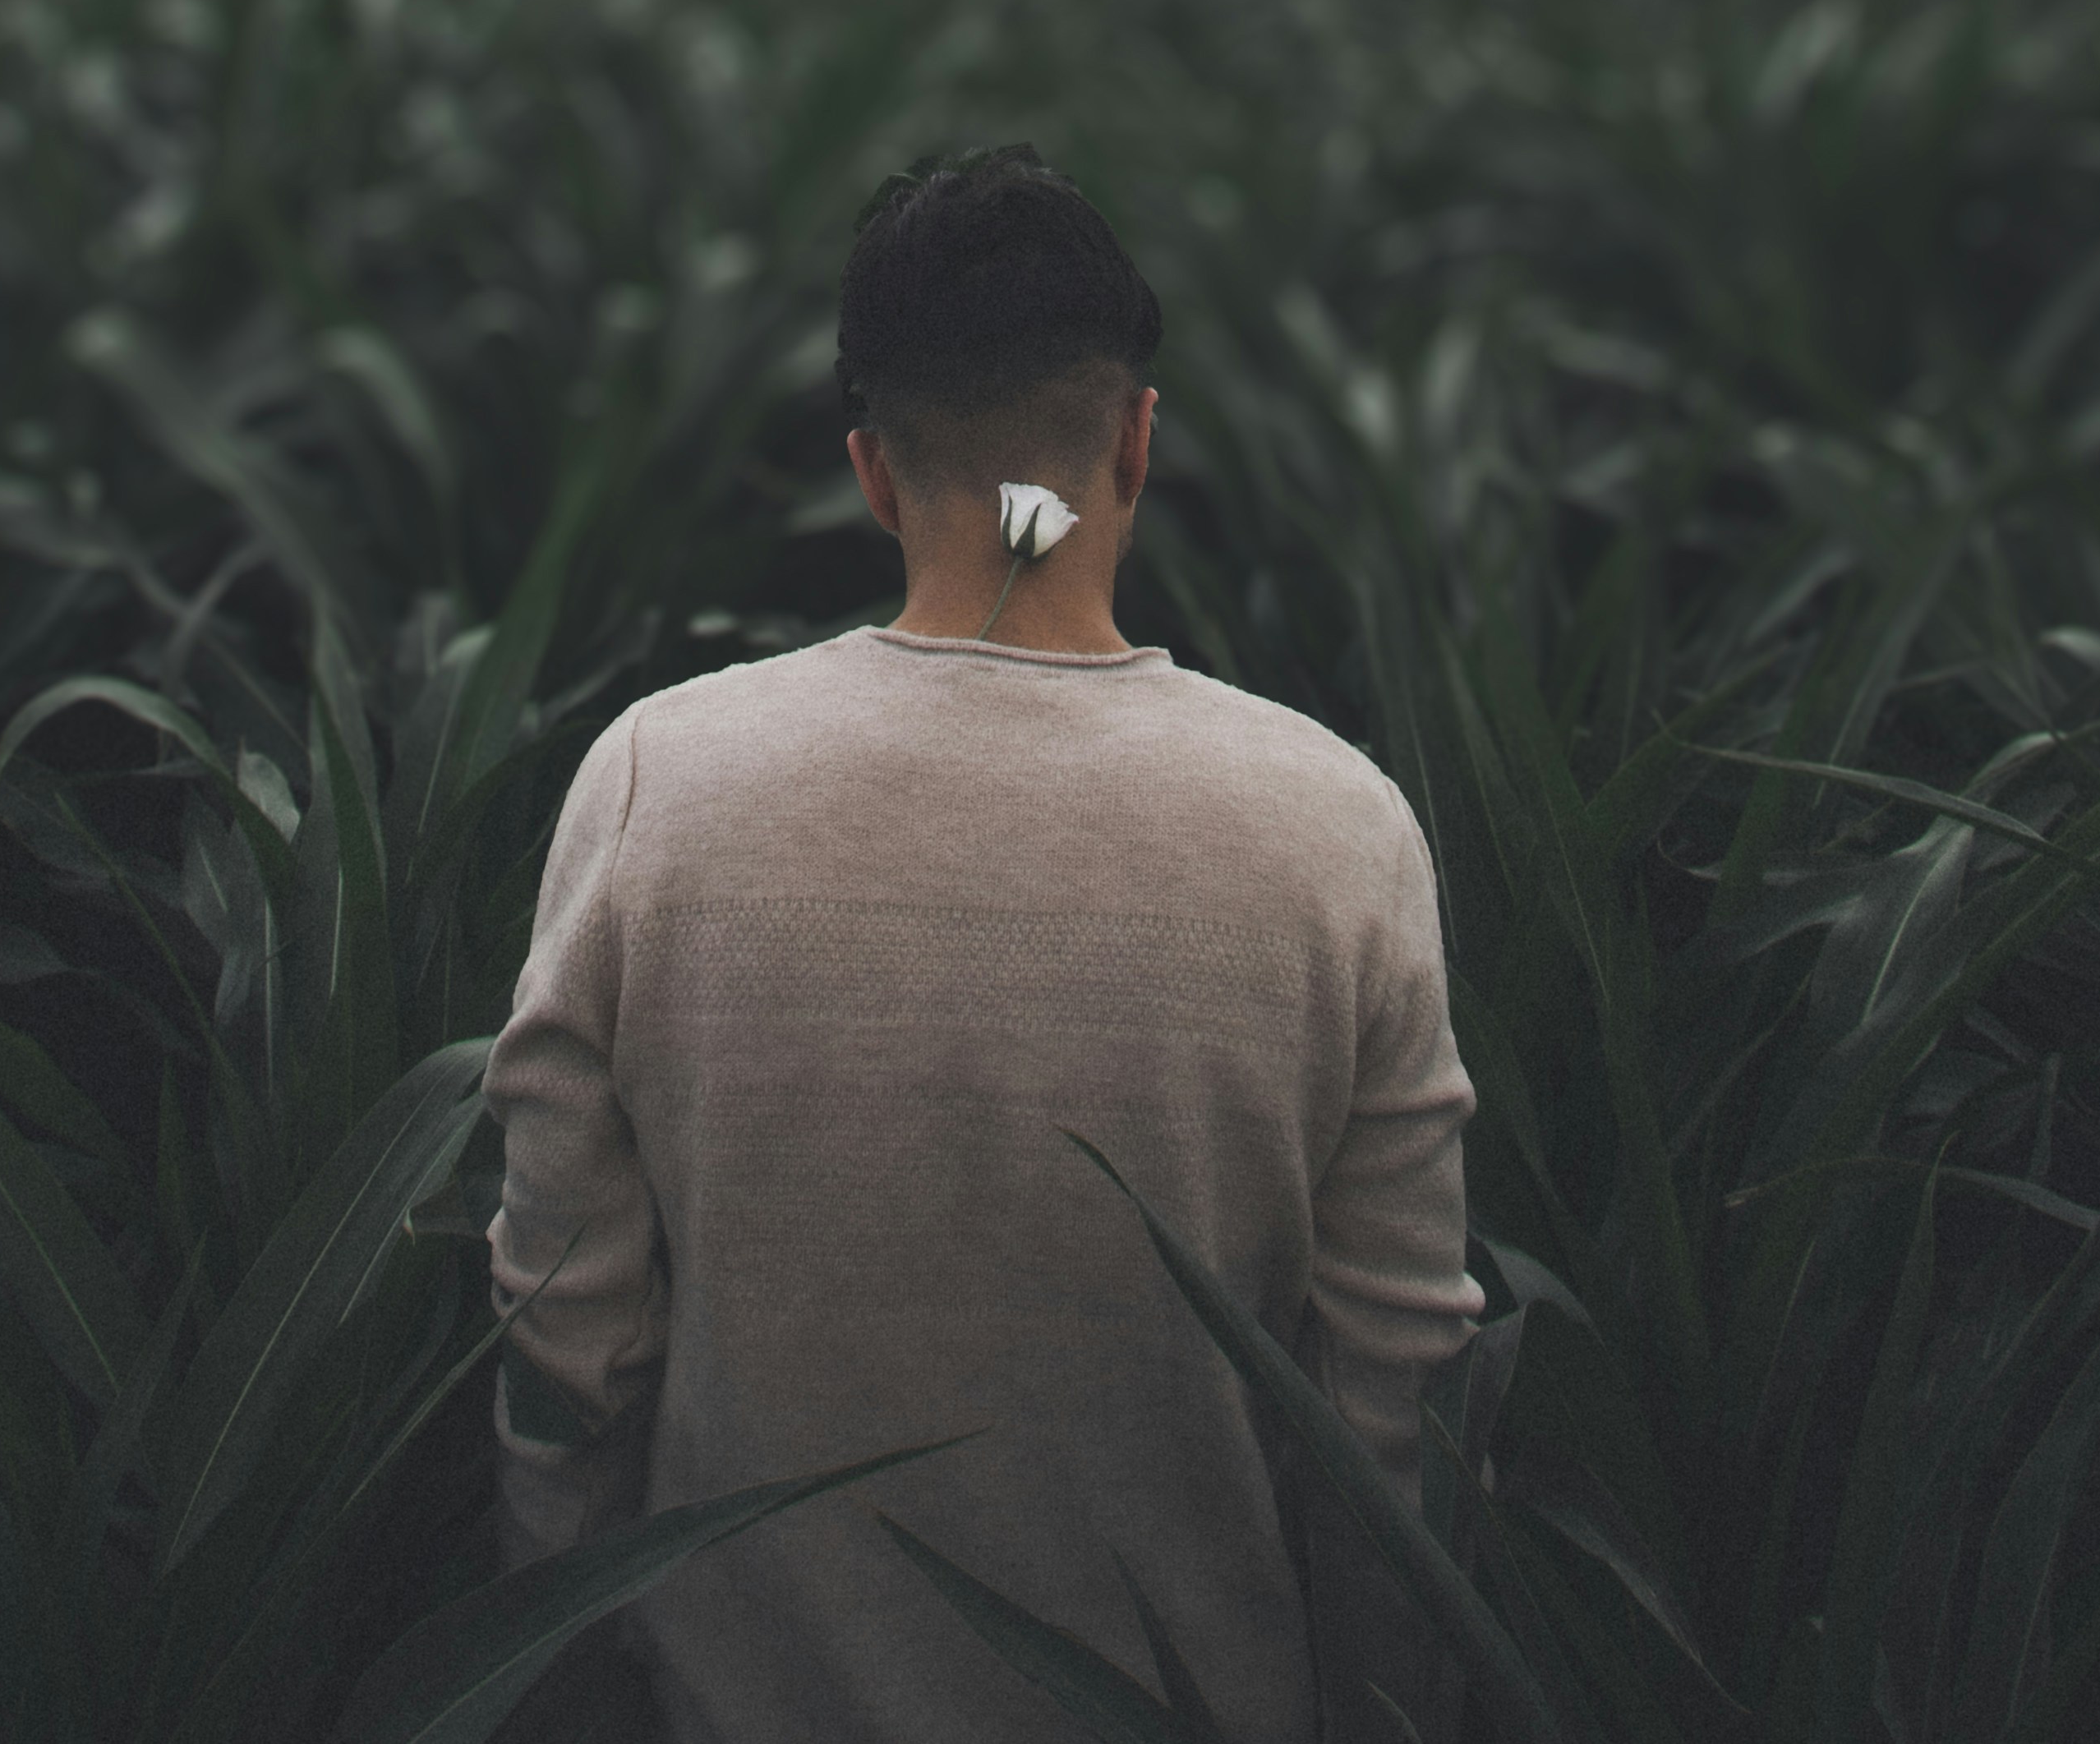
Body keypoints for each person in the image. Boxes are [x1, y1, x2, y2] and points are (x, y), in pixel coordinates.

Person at [481, 145, 1483, 1742]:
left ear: (870, 467)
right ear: (1137, 441)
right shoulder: (1337, 828)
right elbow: (1390, 1402)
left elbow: (570, 1341)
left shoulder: (657, 784)